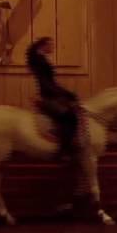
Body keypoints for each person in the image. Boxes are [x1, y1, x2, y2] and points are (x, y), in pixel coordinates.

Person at [25, 36, 81, 164]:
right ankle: (63, 151)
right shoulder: (39, 61)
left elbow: (51, 83)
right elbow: (47, 84)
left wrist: (66, 93)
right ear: (43, 46)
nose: (52, 47)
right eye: (50, 45)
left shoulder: (41, 59)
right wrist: (65, 94)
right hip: (47, 96)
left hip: (50, 94)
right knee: (69, 116)